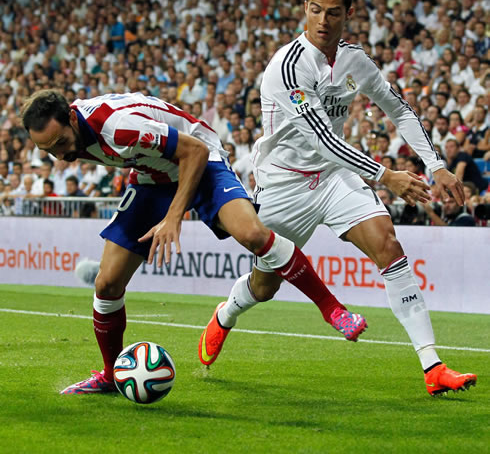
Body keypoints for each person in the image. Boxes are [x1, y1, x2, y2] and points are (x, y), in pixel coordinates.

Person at [200, 0, 477, 397]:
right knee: (264, 285)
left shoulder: (354, 60)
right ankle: (227, 313)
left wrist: (435, 164)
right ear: (305, 10)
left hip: (333, 177)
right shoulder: (288, 67)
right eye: (315, 10)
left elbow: (399, 110)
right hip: (284, 184)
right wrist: (387, 176)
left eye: (333, 12)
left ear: (349, 14)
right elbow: (322, 139)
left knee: (388, 244)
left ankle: (432, 365)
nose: (323, 20)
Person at [21, 89, 367, 395]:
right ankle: (111, 376)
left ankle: (333, 310)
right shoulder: (71, 136)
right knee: (107, 283)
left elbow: (194, 151)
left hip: (201, 159)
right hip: (151, 176)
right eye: (47, 150)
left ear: (71, 117)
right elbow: (133, 156)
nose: (60, 156)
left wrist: (173, 217)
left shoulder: (119, 127)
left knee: (252, 234)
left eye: (61, 144)